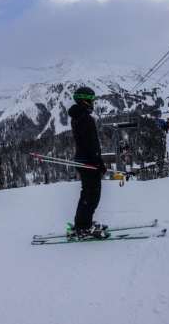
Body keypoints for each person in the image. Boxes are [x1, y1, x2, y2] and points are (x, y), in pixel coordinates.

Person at [68, 86, 108, 239]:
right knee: (92, 195)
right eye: (92, 100)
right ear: (85, 100)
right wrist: (98, 162)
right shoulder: (85, 119)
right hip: (88, 161)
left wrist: (97, 161)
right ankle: (83, 227)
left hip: (84, 159)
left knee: (88, 193)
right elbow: (91, 143)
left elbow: (88, 143)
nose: (93, 103)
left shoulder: (78, 116)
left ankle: (83, 223)